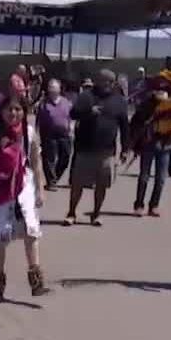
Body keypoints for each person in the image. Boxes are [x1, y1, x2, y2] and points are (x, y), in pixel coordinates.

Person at [0, 96, 51, 299]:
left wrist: (41, 188)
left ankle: (36, 281)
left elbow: (35, 161)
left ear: (23, 112)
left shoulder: (29, 133)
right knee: (0, 236)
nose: (13, 114)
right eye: (9, 109)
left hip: (23, 186)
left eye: (17, 110)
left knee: (31, 231)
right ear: (1, 111)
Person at [66, 69, 129, 226]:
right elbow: (73, 114)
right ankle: (71, 213)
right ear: (97, 81)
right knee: (77, 184)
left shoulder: (119, 100)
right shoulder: (86, 96)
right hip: (85, 149)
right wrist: (88, 112)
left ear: (113, 83)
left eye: (109, 81)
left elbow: (124, 126)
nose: (105, 84)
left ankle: (96, 214)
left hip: (106, 151)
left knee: (102, 185)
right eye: (102, 80)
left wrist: (125, 149)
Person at [132, 90, 171, 217]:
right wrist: (135, 145)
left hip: (165, 146)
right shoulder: (145, 109)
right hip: (148, 145)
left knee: (161, 179)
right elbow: (135, 125)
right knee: (144, 177)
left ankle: (154, 205)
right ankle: (139, 205)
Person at [35, 79, 72, 190]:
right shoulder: (43, 104)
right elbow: (39, 121)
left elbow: (71, 117)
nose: (52, 89)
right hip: (48, 134)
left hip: (65, 134)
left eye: (54, 87)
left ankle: (55, 176)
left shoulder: (66, 102)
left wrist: (72, 128)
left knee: (65, 157)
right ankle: (51, 182)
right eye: (50, 87)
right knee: (49, 158)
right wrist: (37, 135)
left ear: (59, 89)